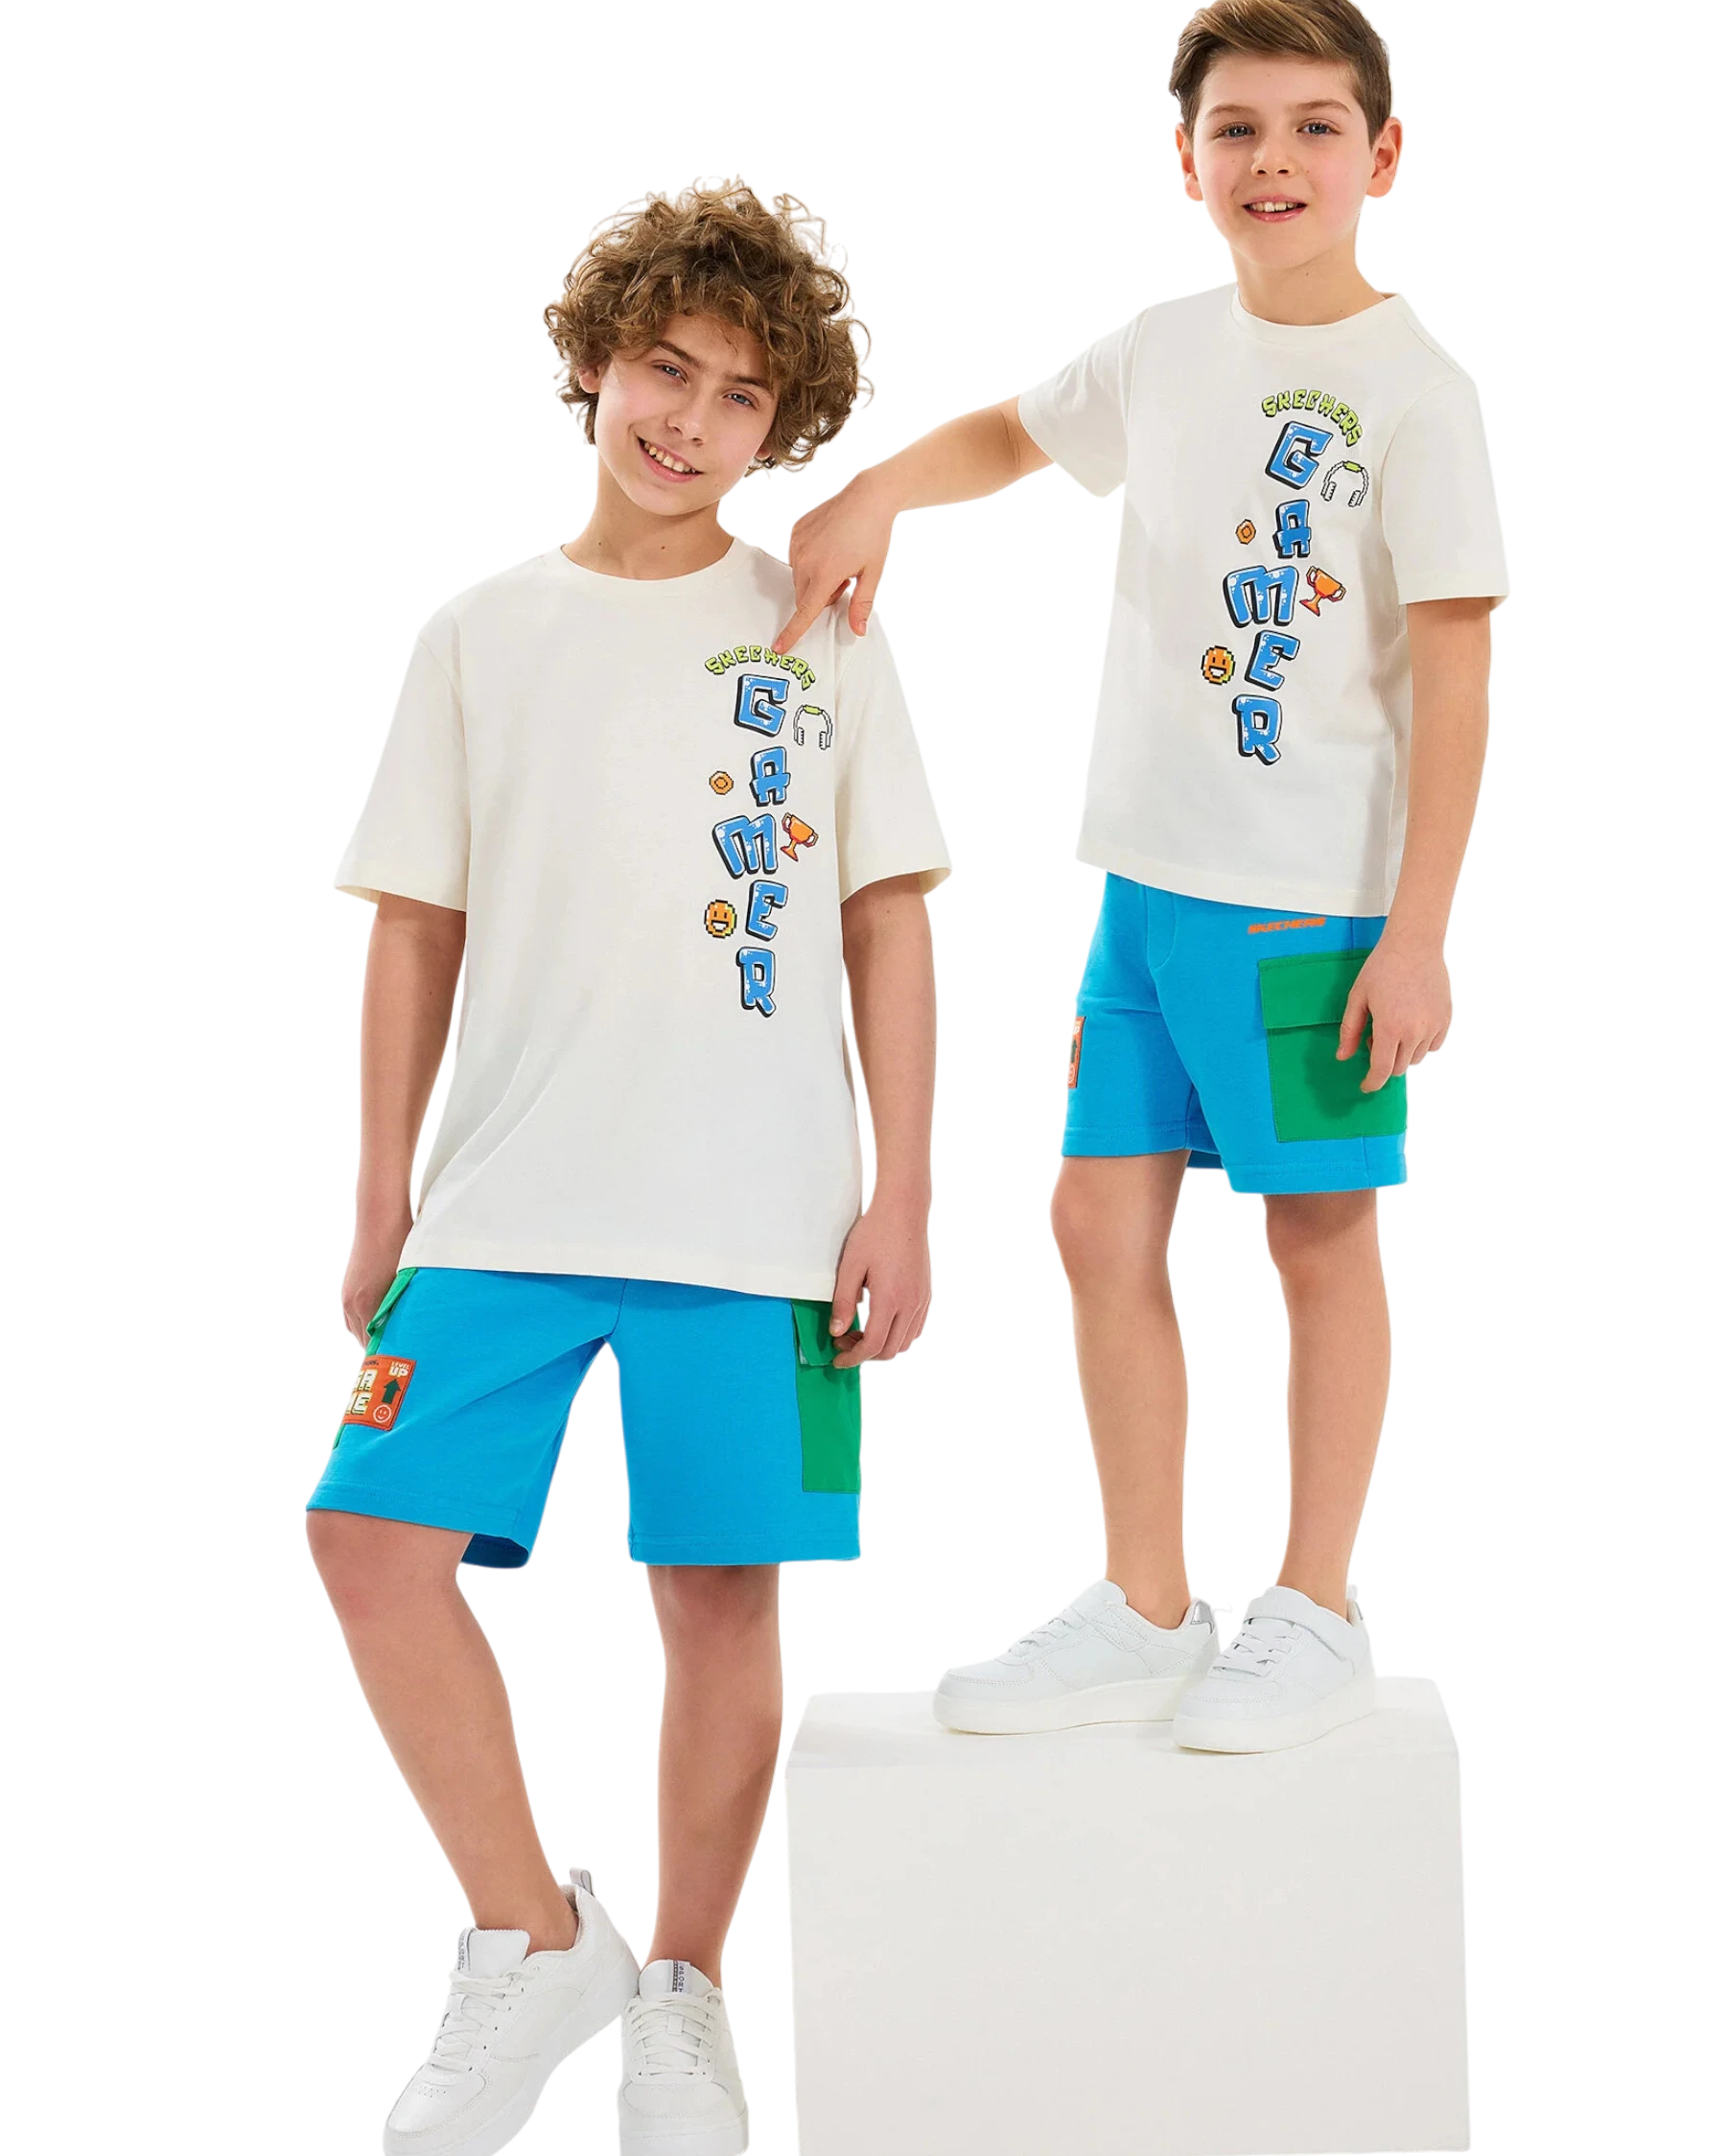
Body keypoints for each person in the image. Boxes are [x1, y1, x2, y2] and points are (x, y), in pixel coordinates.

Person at [305, 176, 956, 2156]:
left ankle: (683, 1990)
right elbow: (410, 931)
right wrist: (384, 1200)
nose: (691, 419)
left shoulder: (817, 625)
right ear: (596, 362)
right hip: (507, 1197)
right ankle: (534, 1936)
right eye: (667, 369)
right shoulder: (476, 635)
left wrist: (903, 1190)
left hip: (761, 1216)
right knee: (367, 1538)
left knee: (720, 1601)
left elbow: (889, 922)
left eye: (744, 395)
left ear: (787, 426)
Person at [775, 0, 1508, 1755]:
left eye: (1316, 127)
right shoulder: (1166, 348)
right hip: (1145, 891)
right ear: (1187, 160)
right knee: (1097, 1222)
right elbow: (1011, 436)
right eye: (1237, 128)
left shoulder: (1419, 390)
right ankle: (1147, 1602)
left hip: (1311, 906)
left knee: (1316, 1236)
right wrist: (872, 498)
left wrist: (1421, 932)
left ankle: (1315, 1603)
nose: (1275, 160)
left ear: (1385, 158)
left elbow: (1460, 674)